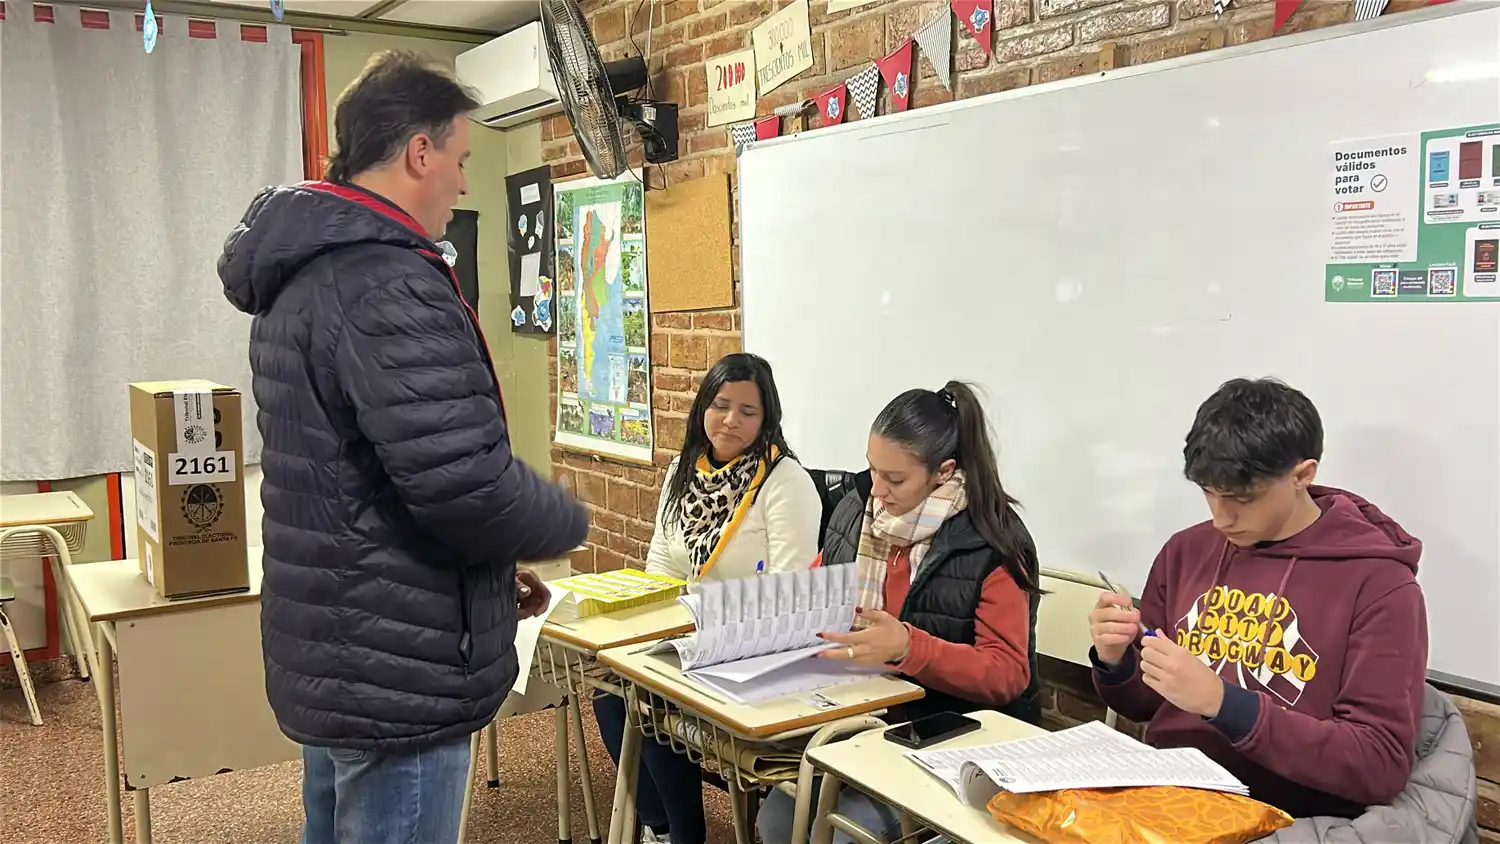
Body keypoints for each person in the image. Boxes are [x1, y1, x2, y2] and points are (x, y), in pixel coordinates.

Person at [217, 51, 588, 844]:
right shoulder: (385, 281)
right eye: (458, 159)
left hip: (349, 642)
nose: (460, 183)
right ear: (418, 152)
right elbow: (461, 485)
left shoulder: (307, 273)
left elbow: (371, 477)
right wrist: (563, 522)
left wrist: (485, 577)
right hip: (397, 673)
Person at [1088, 377, 1428, 820]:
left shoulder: (1380, 583)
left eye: (1241, 499)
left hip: (1289, 820)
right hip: (1171, 802)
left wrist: (1222, 703)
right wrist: (1116, 662)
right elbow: (1142, 704)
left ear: (1303, 475)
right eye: (1209, 493)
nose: (1221, 517)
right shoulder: (1186, 551)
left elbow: (1377, 765)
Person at [757, 381, 1043, 844]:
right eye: (873, 471)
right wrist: (779, 608)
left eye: (895, 479)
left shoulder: (991, 541)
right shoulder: (858, 511)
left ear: (943, 471)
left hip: (955, 737)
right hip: (866, 717)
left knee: (840, 837)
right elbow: (822, 581)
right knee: (778, 821)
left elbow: (1009, 675)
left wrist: (910, 647)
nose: (878, 491)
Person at [594, 352, 821, 844]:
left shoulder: (786, 484)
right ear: (703, 407)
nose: (731, 421)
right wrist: (660, 624)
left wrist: (705, 625)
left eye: (748, 411)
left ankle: (685, 835)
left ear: (768, 420)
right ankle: (664, 827)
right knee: (611, 692)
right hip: (692, 634)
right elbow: (663, 563)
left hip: (756, 647)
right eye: (721, 405)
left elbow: (787, 597)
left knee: (652, 698)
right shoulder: (683, 470)